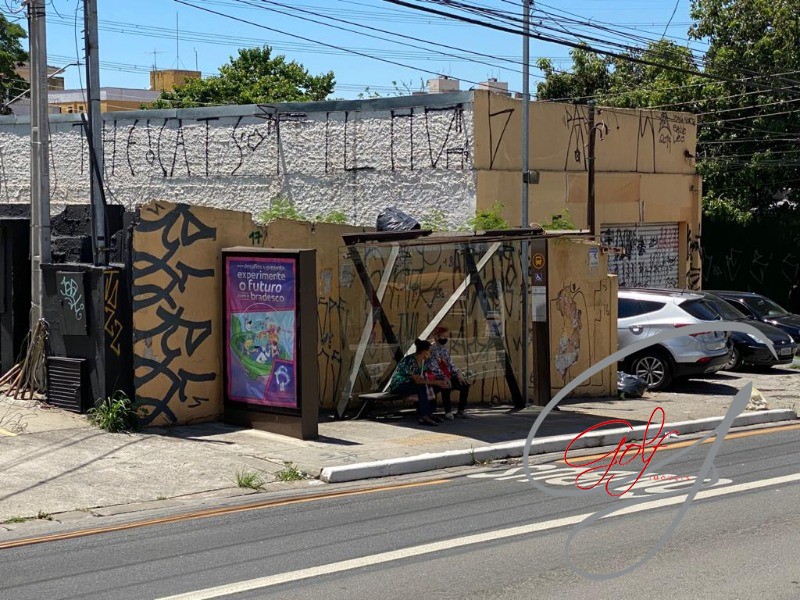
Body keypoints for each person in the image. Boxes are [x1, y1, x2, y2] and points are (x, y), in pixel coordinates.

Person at [389, 339, 450, 426]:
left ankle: (429, 413)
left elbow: (424, 377)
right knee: (421, 388)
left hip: (411, 383)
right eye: (429, 351)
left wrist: (438, 382)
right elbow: (418, 380)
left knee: (431, 388)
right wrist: (435, 382)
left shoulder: (423, 362)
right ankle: (424, 416)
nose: (430, 353)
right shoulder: (411, 360)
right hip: (399, 385)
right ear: (424, 352)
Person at [427, 326, 471, 420]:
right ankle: (448, 411)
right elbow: (433, 367)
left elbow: (450, 364)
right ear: (437, 336)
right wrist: (444, 377)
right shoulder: (431, 349)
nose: (445, 339)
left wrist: (458, 373)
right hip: (436, 377)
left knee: (465, 384)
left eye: (446, 336)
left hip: (448, 374)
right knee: (445, 385)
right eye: (443, 336)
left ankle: (461, 410)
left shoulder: (445, 349)